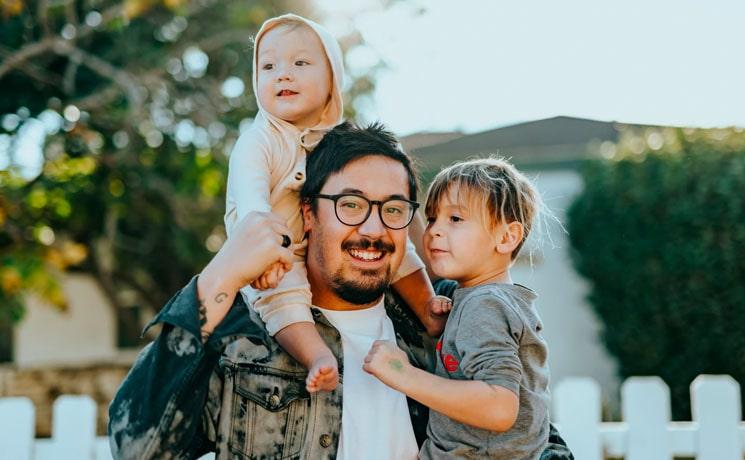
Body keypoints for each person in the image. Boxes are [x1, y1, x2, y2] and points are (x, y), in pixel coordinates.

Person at [108, 122, 573, 459]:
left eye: (393, 209)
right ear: (308, 215)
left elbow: (531, 432)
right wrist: (220, 276)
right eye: (350, 205)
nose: (373, 228)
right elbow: (137, 449)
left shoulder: (445, 314)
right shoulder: (242, 330)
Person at [224, 14, 446, 393]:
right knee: (283, 298)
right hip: (271, 251)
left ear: (332, 81)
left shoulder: (339, 143)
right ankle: (317, 356)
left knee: (396, 242)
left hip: (314, 245)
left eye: (300, 63)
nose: (283, 75)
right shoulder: (259, 140)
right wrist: (264, 255)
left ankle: (428, 307)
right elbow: (252, 204)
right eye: (269, 66)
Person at [364, 157, 552, 459]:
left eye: (455, 219)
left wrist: (402, 373)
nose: (434, 230)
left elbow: (500, 407)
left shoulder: (484, 306)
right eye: (432, 217)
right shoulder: (483, 299)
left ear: (507, 237)